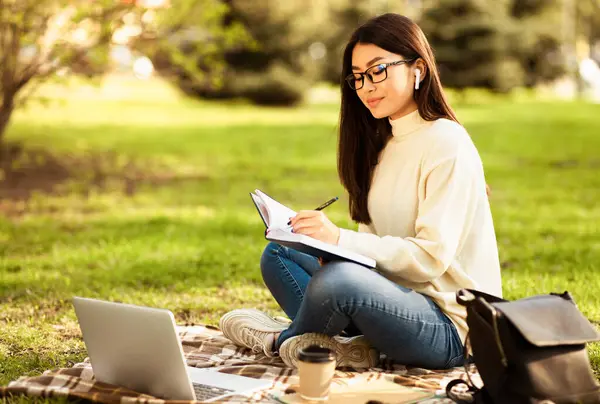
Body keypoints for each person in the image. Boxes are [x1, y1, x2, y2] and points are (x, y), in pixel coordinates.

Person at [219, 13, 502, 370]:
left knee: (338, 281)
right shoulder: (381, 146)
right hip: (392, 302)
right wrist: (327, 248)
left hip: (452, 327)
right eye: (358, 77)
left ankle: (282, 340)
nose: (367, 85)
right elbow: (376, 247)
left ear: (418, 69)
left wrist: (340, 241)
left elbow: (431, 258)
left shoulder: (447, 143)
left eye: (377, 70)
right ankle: (349, 345)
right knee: (279, 253)